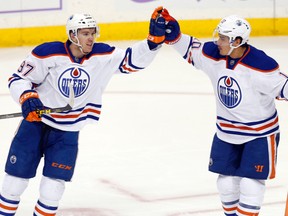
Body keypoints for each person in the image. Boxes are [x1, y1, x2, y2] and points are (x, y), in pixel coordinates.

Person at [0, 7, 167, 215]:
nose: (91, 38)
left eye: (92, 33)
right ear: (72, 35)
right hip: (36, 124)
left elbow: (132, 61)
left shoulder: (103, 55)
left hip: (67, 131)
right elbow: (19, 79)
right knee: (13, 183)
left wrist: (153, 42)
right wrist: (27, 97)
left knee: (53, 190)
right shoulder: (47, 53)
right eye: (85, 33)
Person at [160, 8, 287, 216]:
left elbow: (283, 86)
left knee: (250, 185)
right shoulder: (214, 54)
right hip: (226, 131)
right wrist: (175, 37)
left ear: (237, 41)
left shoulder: (261, 65)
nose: (218, 41)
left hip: (259, 134)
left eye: (223, 38)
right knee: (226, 184)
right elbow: (192, 50)